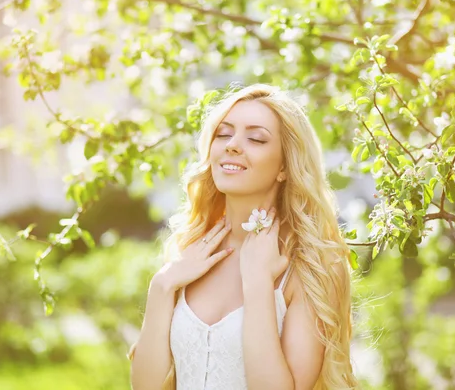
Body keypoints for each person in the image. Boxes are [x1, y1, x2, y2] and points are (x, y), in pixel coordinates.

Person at [129, 84, 359, 389]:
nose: (233, 145)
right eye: (223, 134)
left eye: (256, 138)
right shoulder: (191, 251)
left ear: (284, 166)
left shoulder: (311, 267)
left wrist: (259, 284)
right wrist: (161, 286)